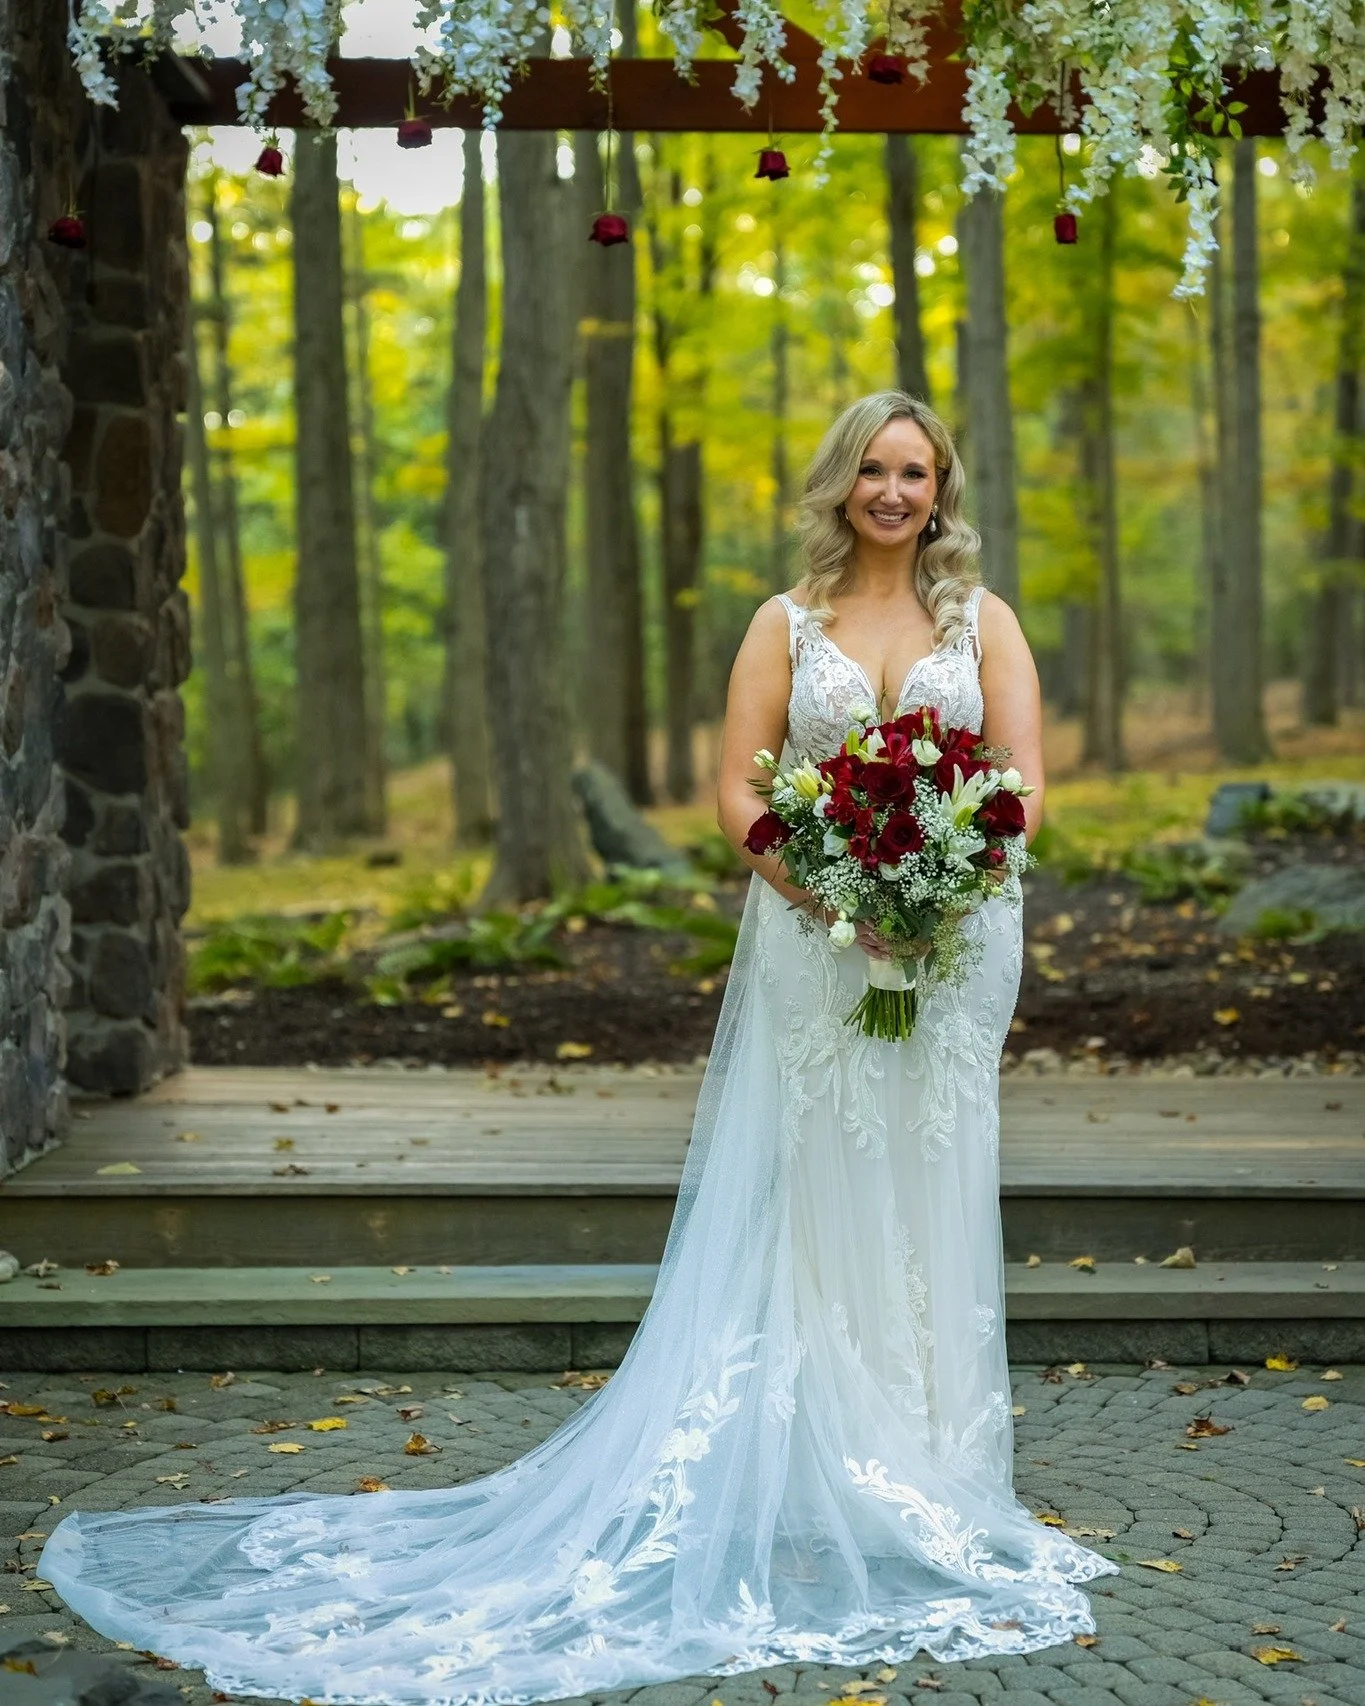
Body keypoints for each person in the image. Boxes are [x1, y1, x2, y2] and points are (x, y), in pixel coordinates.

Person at [41, 391, 1115, 1705]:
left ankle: (942, 1474)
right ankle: (841, 1469)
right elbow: (739, 786)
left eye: (918, 472)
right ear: (842, 485)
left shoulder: (982, 621)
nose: (895, 491)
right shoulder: (786, 625)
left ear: (940, 488)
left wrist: (938, 888)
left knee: (933, 1177)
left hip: (956, 944)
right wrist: (837, 895)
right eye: (874, 470)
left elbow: (1020, 779)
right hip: (817, 938)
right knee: (825, 1188)